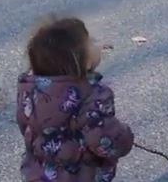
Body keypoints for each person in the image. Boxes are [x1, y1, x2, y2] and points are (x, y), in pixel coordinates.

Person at [17, 17, 134, 182]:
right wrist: (124, 136)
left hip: (38, 173)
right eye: (91, 42)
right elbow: (105, 139)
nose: (97, 44)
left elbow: (26, 127)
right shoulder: (92, 96)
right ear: (85, 62)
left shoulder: (29, 89)